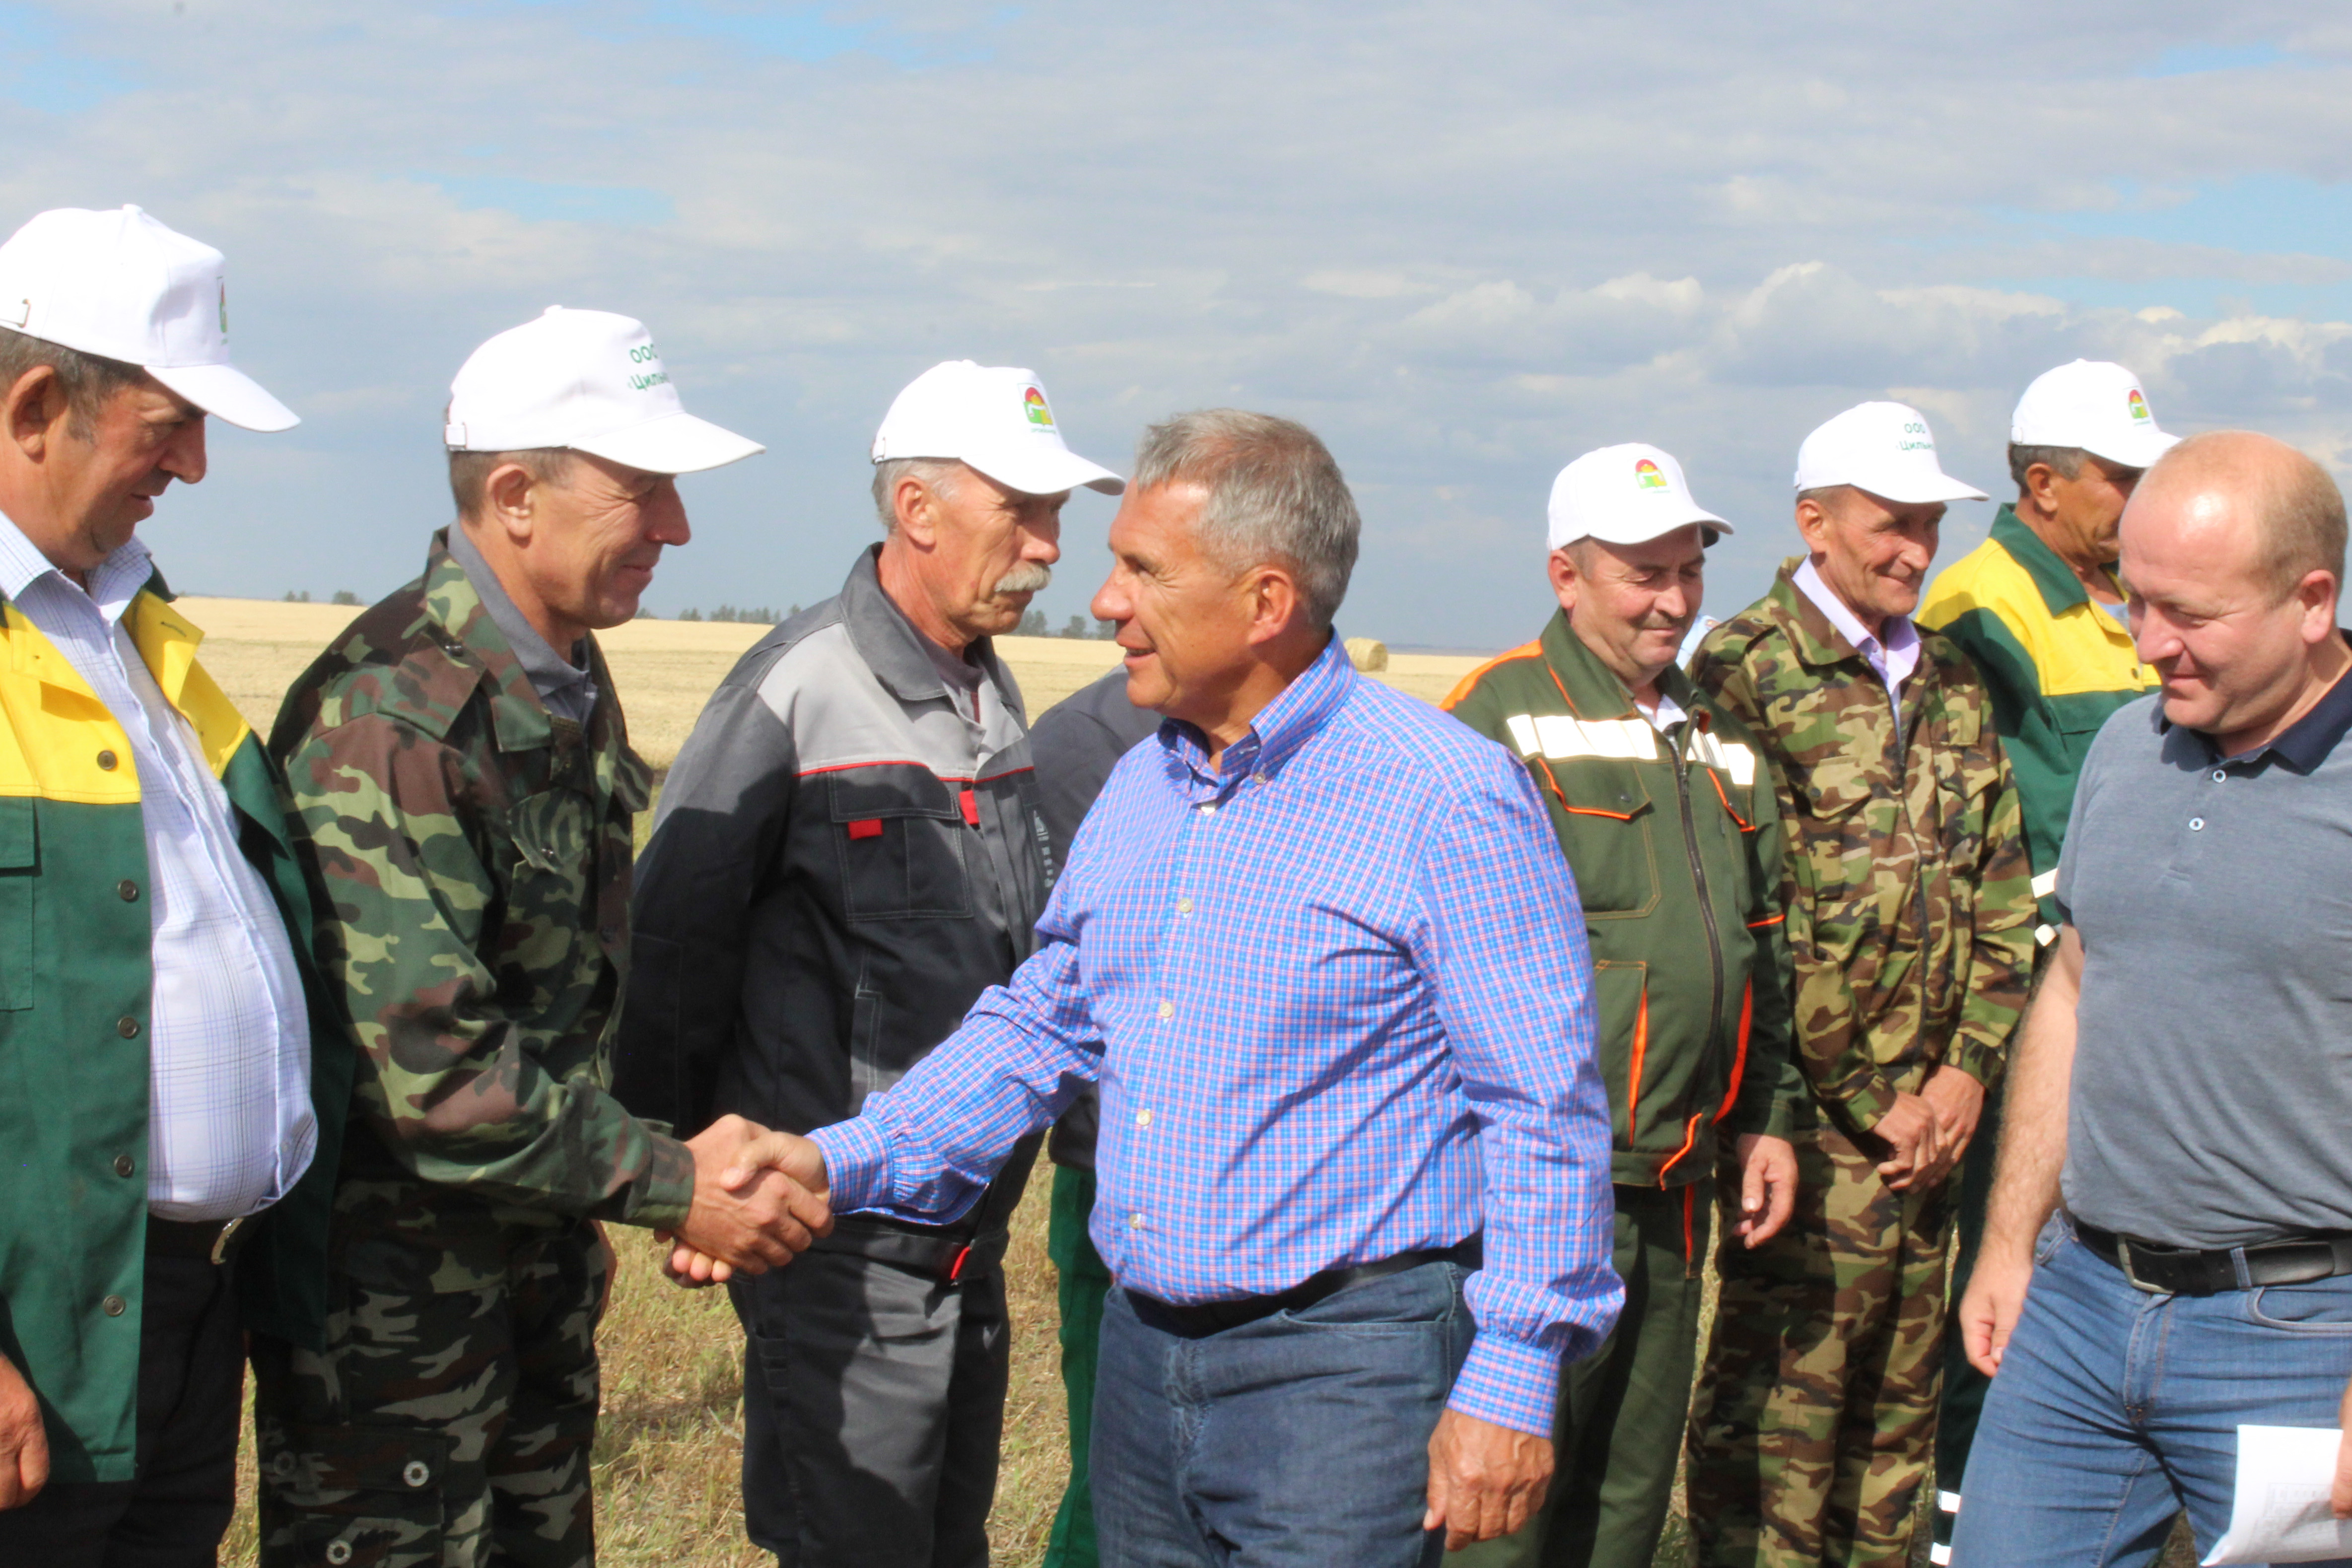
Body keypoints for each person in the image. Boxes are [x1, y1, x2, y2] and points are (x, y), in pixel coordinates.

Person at [690, 408, 1625, 1567]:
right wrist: (840, 1155)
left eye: (1141, 568)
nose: (1104, 599)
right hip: (1141, 1361)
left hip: (1342, 1374)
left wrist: (1517, 1370)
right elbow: (1042, 1023)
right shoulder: (1145, 788)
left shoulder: (1444, 796)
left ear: (1265, 602)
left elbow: (1541, 1105)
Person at [254, 306, 822, 1568]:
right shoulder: (393, 712)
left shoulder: (557, 674)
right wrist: (678, 1182)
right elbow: (435, 1073)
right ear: (515, 495)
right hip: (392, 1342)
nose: (675, 527)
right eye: (643, 489)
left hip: (524, 1288)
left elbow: (567, 999)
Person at [615, 358, 1123, 1567]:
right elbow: (674, 942)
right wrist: (684, 1169)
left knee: (943, 1541)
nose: (1051, 547)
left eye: (1057, 515)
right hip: (835, 1234)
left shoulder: (984, 687)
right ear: (917, 511)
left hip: (962, 1227)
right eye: (1025, 511)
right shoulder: (797, 688)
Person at [0, 204, 345, 1566]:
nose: (194, 467)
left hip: (178, 1316)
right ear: (39, 405)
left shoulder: (136, 630)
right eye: (168, 425)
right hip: (34, 1339)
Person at [1951, 432, 2352, 1568]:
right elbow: (2075, 983)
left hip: (2300, 1333)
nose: (2149, 643)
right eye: (2134, 601)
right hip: (2077, 1310)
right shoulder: (2129, 747)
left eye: (2188, 613)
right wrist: (2008, 1242)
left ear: (2309, 599)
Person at [1685, 402, 2037, 1568]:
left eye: (1927, 527)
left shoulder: (1944, 677)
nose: (1912, 551)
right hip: (1813, 1130)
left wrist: (1964, 1075)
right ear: (1814, 523)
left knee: (1897, 1421)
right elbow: (1757, 915)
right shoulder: (1742, 671)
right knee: (1781, 1419)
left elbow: (1998, 889)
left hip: (1929, 1131)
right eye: (1891, 525)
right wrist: (1860, 1091)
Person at [1441, 444, 1804, 1568]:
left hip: (1678, 1196)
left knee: (1622, 1508)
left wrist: (1768, 1117)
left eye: (1687, 569)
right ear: (1565, 574)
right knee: (1499, 1509)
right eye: (1642, 572)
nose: (1674, 598)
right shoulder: (1492, 720)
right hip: (1532, 1197)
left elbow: (1762, 948)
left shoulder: (1720, 738)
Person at [1913, 359, 2175, 1560]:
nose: (2138, 496)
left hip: (2141, 982)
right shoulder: (1978, 606)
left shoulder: (2129, 600)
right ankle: (1970, 1510)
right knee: (2004, 1244)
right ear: (2042, 484)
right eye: (2119, 477)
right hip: (2032, 988)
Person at [1029, 666, 1161, 1568]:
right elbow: (1081, 982)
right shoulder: (1089, 740)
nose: (1115, 601)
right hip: (1116, 1171)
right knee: (1116, 1479)